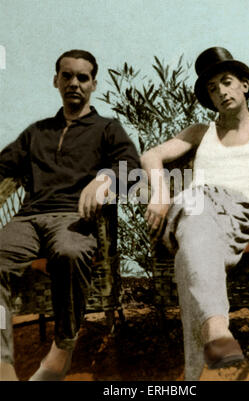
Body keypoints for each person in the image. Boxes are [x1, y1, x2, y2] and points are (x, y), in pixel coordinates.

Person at [141, 47, 249, 380]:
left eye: (226, 82)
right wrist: (159, 191)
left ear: (244, 84)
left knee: (189, 251)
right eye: (212, 88)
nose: (221, 92)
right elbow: (151, 155)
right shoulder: (200, 132)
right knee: (195, 222)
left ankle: (195, 367)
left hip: (239, 215)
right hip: (195, 205)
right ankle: (215, 330)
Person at [0, 49, 140, 381]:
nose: (74, 83)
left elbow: (132, 169)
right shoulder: (38, 131)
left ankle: (62, 348)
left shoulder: (107, 128)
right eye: (67, 76)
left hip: (73, 217)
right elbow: (3, 166)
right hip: (28, 219)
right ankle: (3, 362)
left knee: (70, 252)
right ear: (55, 81)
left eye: (82, 77)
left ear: (93, 84)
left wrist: (104, 179)